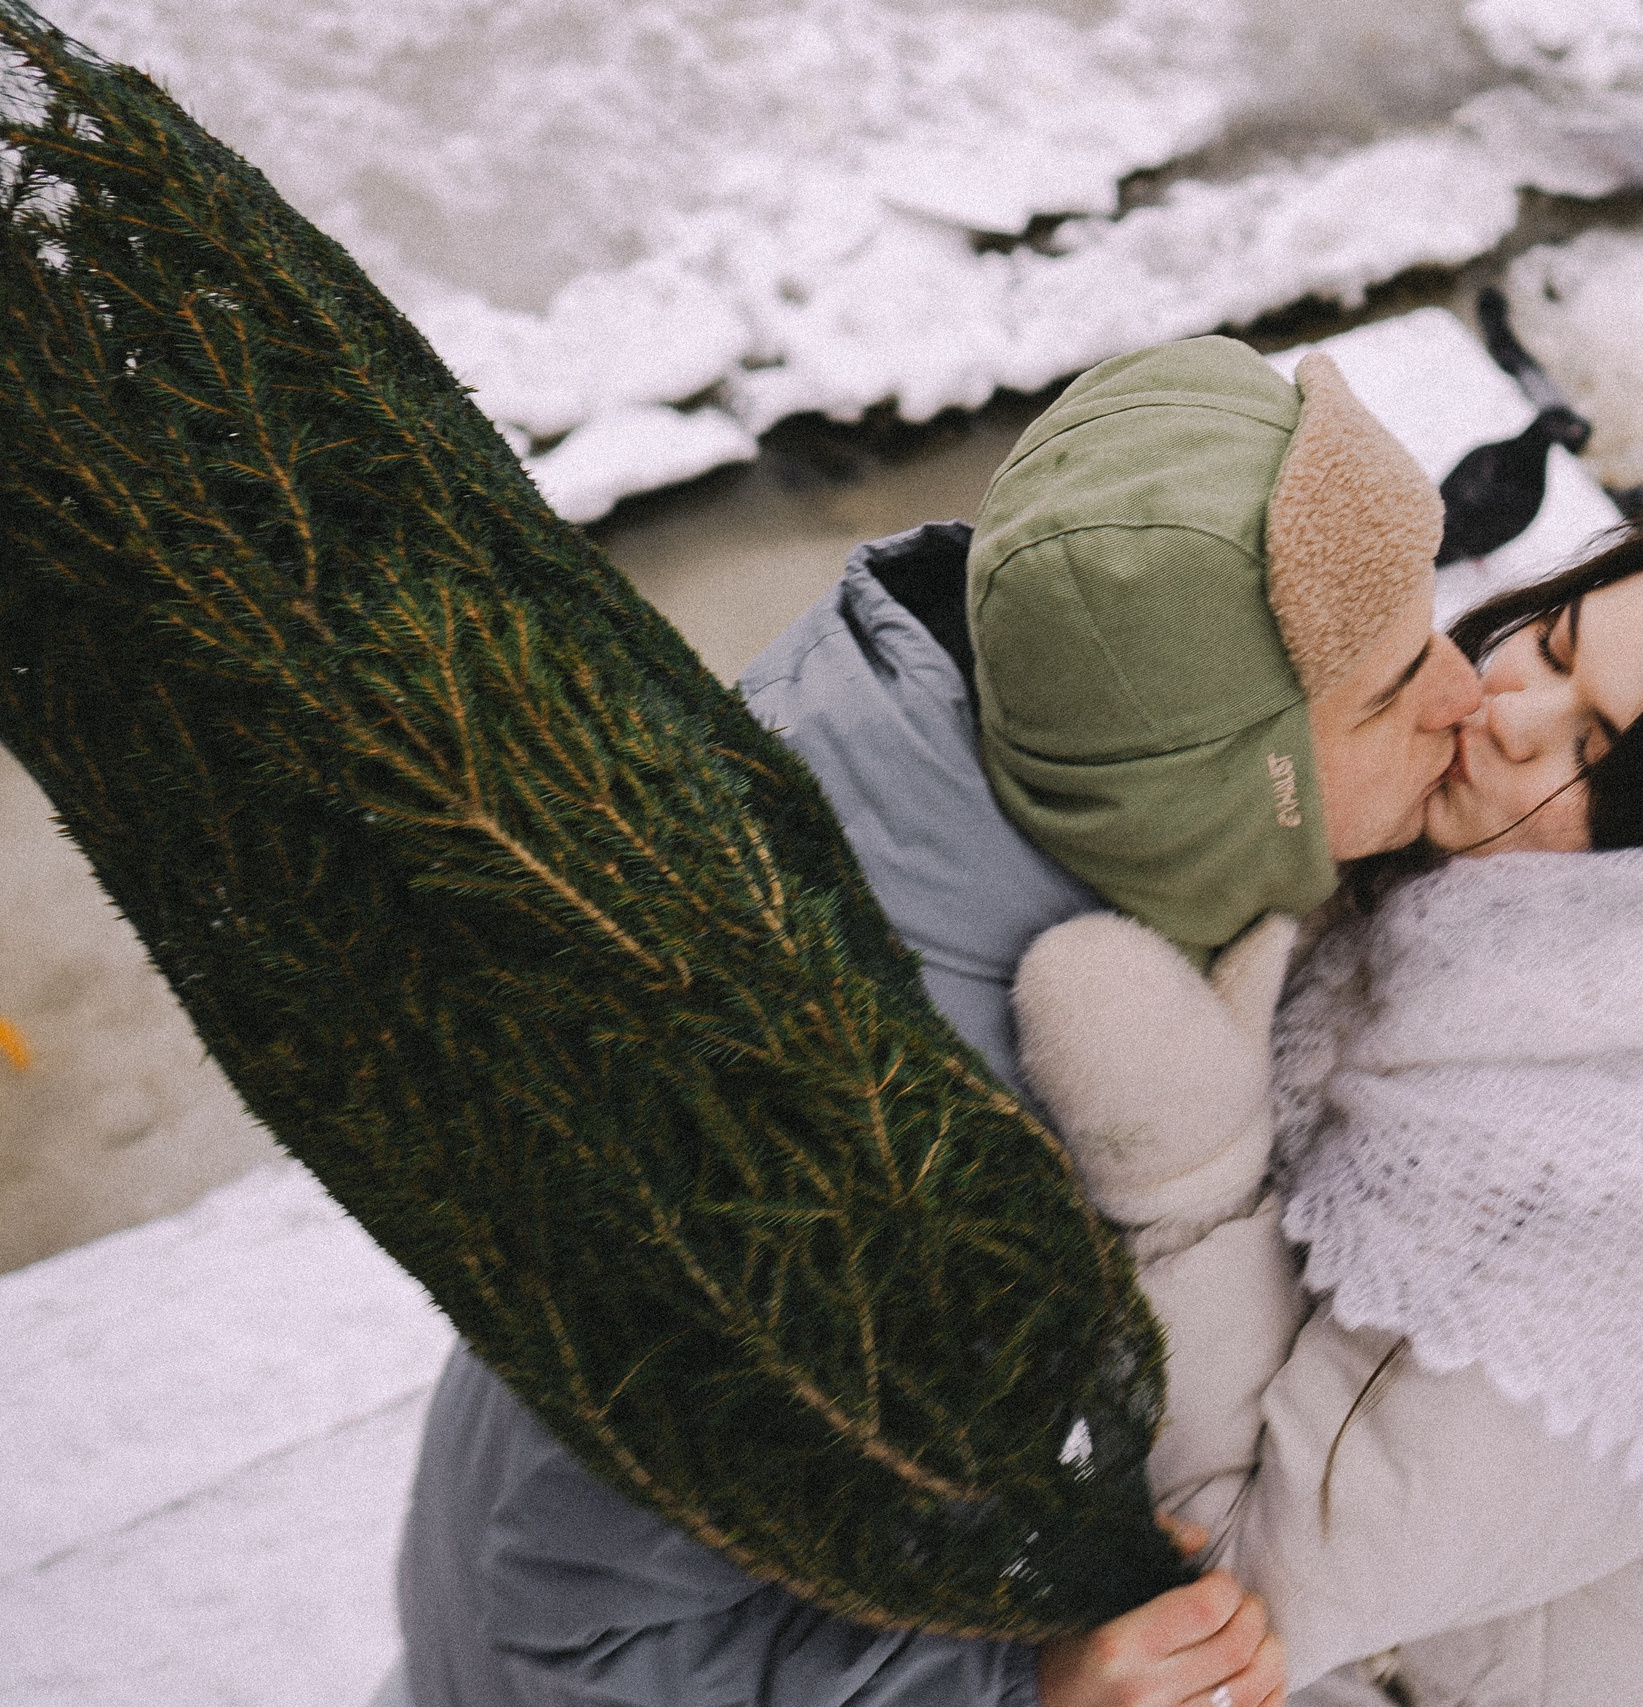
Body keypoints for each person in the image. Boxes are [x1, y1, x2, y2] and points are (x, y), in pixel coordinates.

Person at [393, 334, 1473, 1707]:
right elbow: (577, 1633)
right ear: (1216, 794)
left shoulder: (977, 756)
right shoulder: (835, 1125)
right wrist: (1021, 1689)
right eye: (1391, 687)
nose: (1468, 692)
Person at [1013, 501, 1643, 1706]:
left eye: (1596, 752)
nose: (1506, 712)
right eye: (1552, 641)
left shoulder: (1602, 1234)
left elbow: (1232, 1601)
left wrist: (1182, 1176)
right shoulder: (1576, 953)